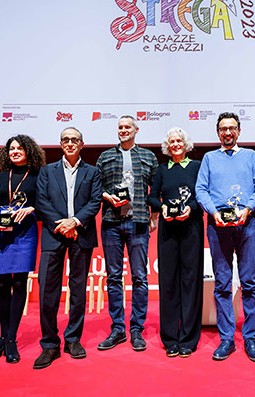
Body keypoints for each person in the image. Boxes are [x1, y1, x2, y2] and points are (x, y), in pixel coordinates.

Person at [196, 112, 255, 362]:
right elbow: (200, 190)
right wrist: (214, 212)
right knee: (222, 284)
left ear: (239, 131)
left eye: (232, 128)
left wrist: (248, 209)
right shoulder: (208, 158)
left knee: (249, 283)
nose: (228, 132)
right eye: (223, 129)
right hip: (218, 227)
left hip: (248, 225)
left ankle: (250, 338)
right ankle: (227, 338)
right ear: (218, 133)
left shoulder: (251, 156)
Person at [33, 127, 102, 368]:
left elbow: (95, 201)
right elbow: (41, 201)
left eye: (74, 140)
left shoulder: (93, 172)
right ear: (60, 144)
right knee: (47, 291)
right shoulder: (46, 171)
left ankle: (73, 338)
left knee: (78, 289)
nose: (70, 143)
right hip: (54, 235)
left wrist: (75, 222)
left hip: (81, 234)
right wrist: (62, 225)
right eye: (65, 140)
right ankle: (49, 343)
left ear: (82, 144)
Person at [96, 116, 159, 351]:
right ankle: (117, 329)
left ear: (136, 130)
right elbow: (96, 187)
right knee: (113, 277)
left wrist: (154, 215)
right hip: (111, 222)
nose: (123, 130)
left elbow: (156, 189)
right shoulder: (105, 157)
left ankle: (136, 329)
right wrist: (107, 197)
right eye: (120, 127)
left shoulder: (148, 156)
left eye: (127, 127)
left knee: (140, 277)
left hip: (139, 222)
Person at [0, 135, 46, 364]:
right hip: (2, 230)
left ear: (29, 151)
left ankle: (11, 340)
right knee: (2, 284)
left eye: (20, 148)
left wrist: (31, 208)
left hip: (25, 232)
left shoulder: (40, 176)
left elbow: (44, 203)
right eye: (12, 148)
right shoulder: (1, 177)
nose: (15, 151)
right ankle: (2, 336)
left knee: (19, 282)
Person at [147, 127, 204, 358]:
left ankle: (188, 339)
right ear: (167, 146)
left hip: (191, 228)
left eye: (179, 141)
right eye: (171, 141)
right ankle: (170, 338)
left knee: (191, 282)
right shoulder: (162, 169)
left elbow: (202, 195)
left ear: (186, 143)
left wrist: (190, 208)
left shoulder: (197, 166)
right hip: (168, 229)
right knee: (168, 283)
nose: (175, 144)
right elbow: (152, 196)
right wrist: (163, 208)